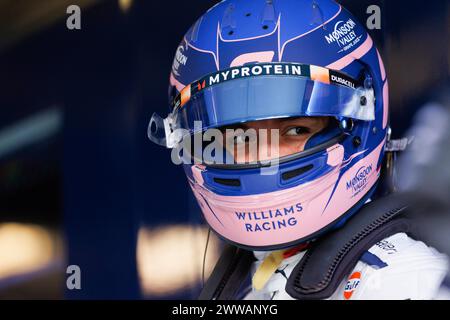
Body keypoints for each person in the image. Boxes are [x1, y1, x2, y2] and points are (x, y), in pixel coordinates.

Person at [148, 0, 449, 299]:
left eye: (295, 130)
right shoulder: (247, 277)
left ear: (361, 120)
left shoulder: (404, 281)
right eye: (238, 137)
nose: (264, 156)